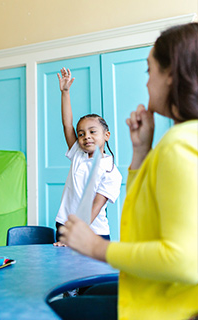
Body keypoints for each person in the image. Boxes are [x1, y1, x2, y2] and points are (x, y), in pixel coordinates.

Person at [58, 22, 198, 320]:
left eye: (150, 72)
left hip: (166, 308)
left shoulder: (179, 145)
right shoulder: (183, 141)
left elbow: (186, 261)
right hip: (156, 291)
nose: (147, 83)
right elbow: (144, 217)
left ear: (171, 75)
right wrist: (141, 152)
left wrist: (96, 247)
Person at [53, 68, 122, 246]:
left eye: (92, 132)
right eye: (81, 134)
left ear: (106, 135)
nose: (86, 137)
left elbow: (95, 207)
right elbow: (67, 124)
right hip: (65, 225)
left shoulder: (111, 172)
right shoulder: (78, 153)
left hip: (93, 233)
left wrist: (76, 234)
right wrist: (65, 92)